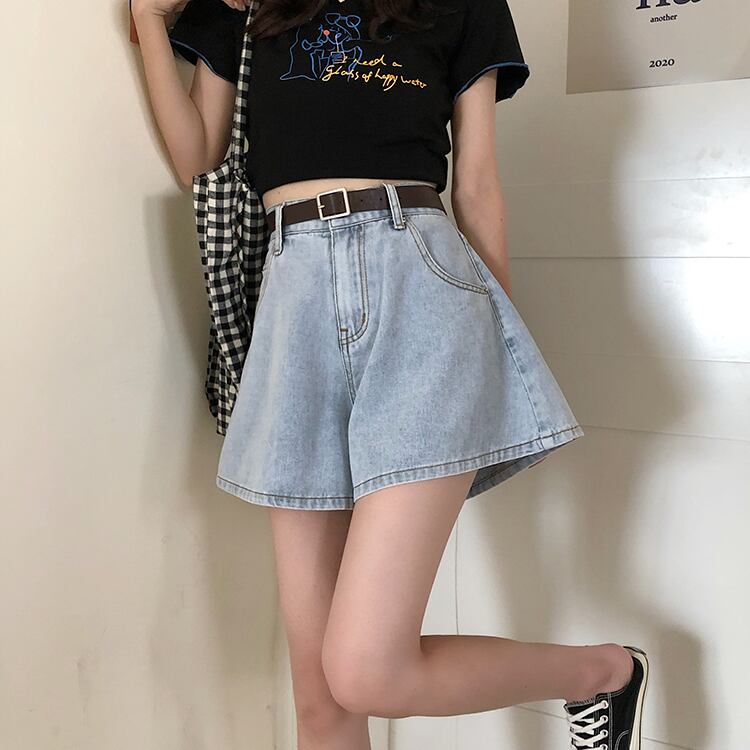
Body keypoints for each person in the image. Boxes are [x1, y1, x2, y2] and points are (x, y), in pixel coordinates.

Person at [131, 0, 649, 747]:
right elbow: (197, 156)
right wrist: (149, 21)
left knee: (367, 669)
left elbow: (475, 184)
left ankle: (601, 674)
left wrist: (496, 344)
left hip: (422, 286)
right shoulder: (248, 4)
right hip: (293, 301)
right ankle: (603, 676)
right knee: (322, 701)